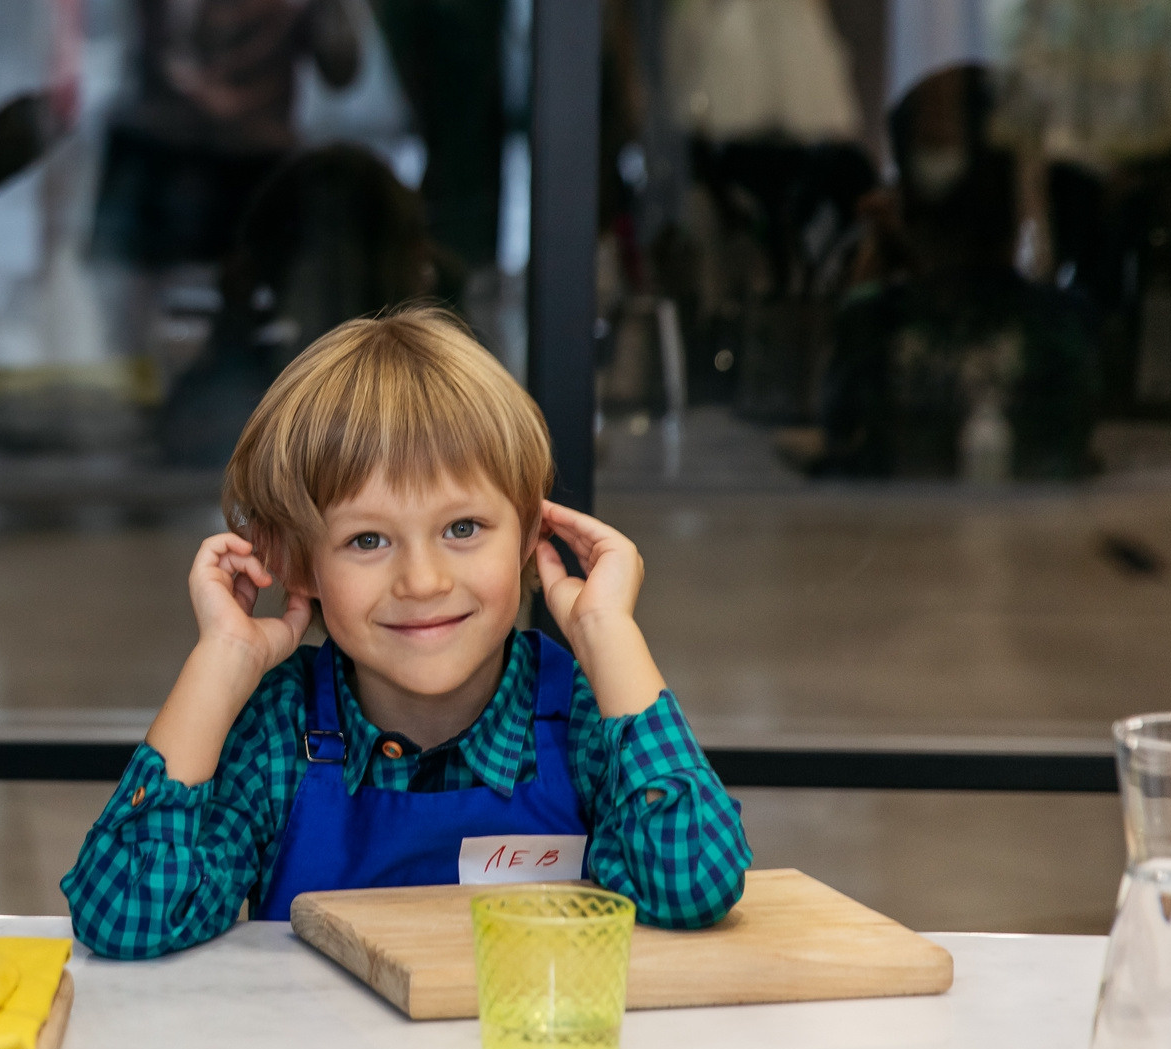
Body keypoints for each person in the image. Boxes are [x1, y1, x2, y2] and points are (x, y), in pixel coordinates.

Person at [62, 308, 749, 958]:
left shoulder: (587, 718)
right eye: (367, 539)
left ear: (531, 534)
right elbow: (125, 913)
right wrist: (223, 658)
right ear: (298, 563)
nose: (422, 581)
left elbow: (691, 886)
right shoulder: (279, 732)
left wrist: (607, 632)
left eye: (462, 528)